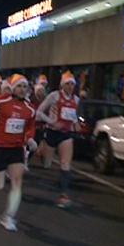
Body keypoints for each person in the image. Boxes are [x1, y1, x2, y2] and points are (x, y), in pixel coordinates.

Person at [0, 74, 38, 231]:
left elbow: (30, 126)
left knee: (17, 181)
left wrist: (30, 139)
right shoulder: (1, 101)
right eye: (19, 86)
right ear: (13, 87)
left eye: (25, 87)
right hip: (0, 147)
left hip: (17, 148)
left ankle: (8, 217)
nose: (22, 89)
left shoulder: (30, 108)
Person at [36, 71, 80, 208]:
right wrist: (51, 122)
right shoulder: (54, 96)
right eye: (68, 83)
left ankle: (63, 195)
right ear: (62, 84)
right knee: (47, 164)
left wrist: (76, 123)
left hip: (66, 134)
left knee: (65, 164)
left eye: (72, 84)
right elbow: (39, 112)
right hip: (52, 132)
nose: (70, 86)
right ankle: (42, 151)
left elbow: (73, 116)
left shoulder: (76, 99)